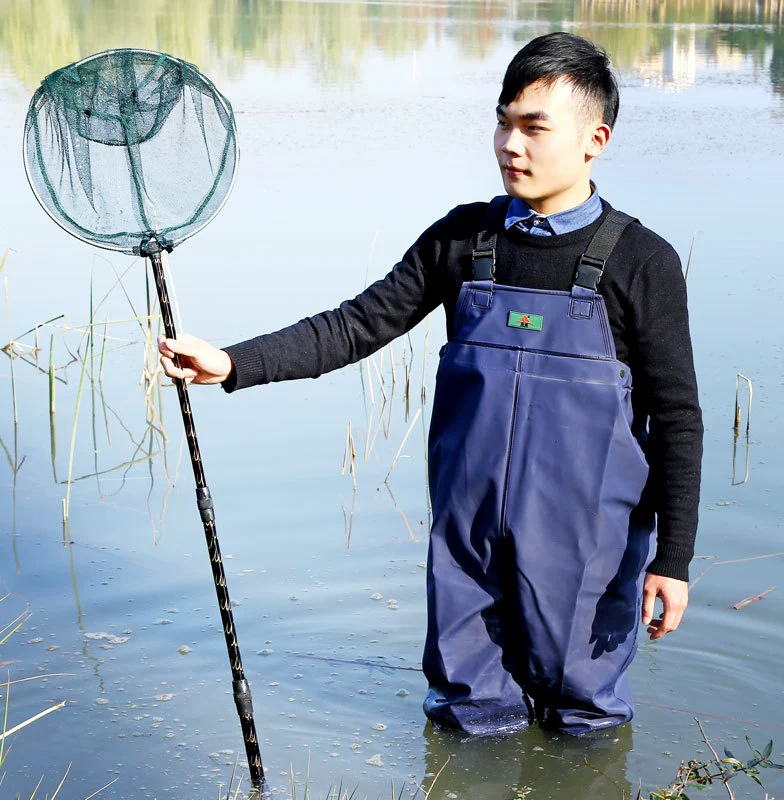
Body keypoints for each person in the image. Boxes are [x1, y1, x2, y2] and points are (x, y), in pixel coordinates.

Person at [159, 32, 703, 737]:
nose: (511, 143)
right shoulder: (461, 241)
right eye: (504, 121)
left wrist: (675, 557)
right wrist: (233, 362)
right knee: (467, 719)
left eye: (534, 128)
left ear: (596, 138)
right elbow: (356, 326)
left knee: (585, 725)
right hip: (467, 540)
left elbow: (678, 417)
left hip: (589, 547)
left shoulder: (641, 261)